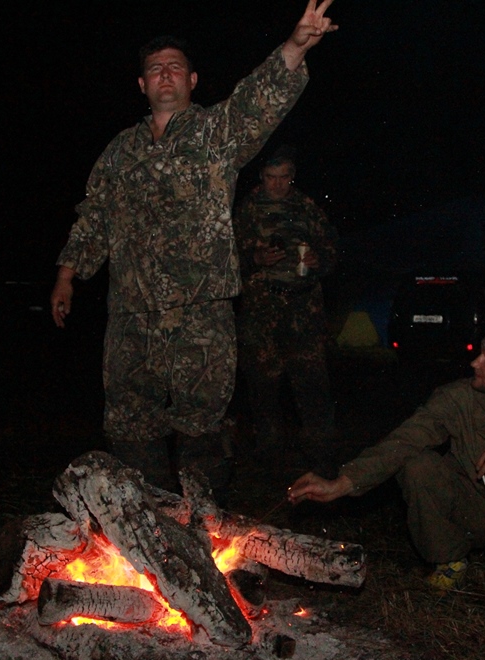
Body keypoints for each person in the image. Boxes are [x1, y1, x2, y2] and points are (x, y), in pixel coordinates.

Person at [50, 2, 338, 494]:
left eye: (175, 67)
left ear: (192, 80)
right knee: (129, 422)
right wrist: (66, 275)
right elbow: (94, 214)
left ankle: (200, 523)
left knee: (202, 424)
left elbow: (256, 102)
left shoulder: (214, 134)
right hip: (131, 313)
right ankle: (145, 521)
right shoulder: (119, 151)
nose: (165, 74)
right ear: (142, 84)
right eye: (155, 68)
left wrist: (294, 47)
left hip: (200, 314)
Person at [288, 325, 485, 603]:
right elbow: (405, 440)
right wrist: (344, 483)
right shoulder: (458, 398)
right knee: (418, 465)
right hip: (466, 510)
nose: (475, 363)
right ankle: (449, 560)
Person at [234, 145, 338, 476]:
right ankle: (268, 458)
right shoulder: (247, 209)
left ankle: (321, 460)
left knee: (312, 387)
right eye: (271, 177)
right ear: (261, 176)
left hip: (303, 310)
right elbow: (227, 261)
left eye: (284, 177)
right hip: (262, 311)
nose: (277, 184)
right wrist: (255, 259)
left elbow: (331, 248)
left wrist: (320, 261)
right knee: (263, 388)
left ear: (292, 177)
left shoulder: (307, 207)